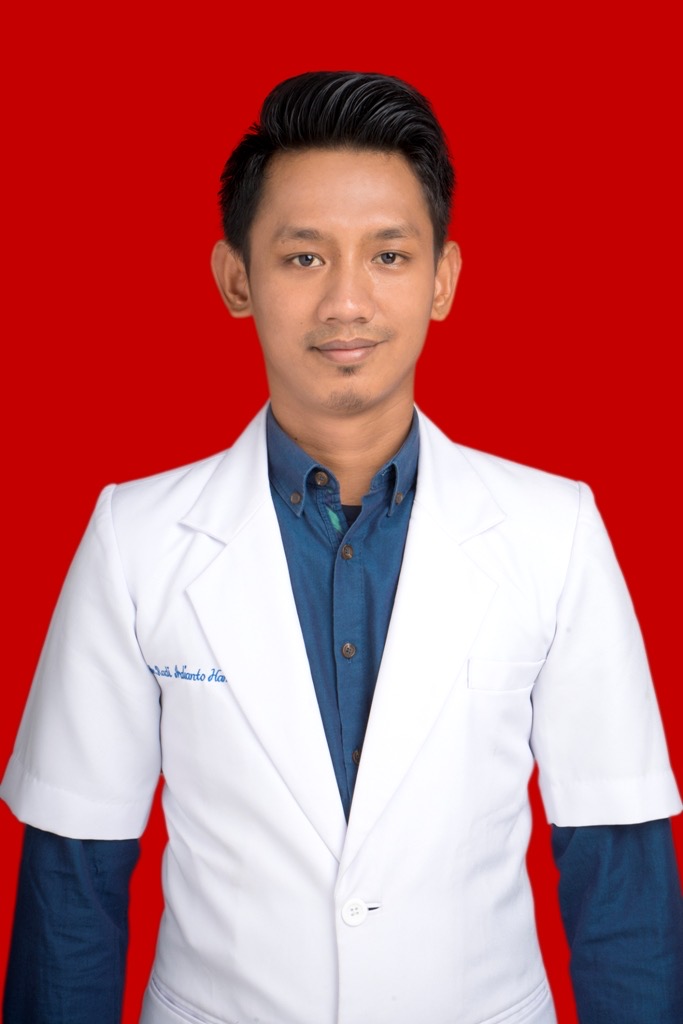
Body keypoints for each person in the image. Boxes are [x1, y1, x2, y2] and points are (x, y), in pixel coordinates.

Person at [2, 70, 682, 1024]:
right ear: (236, 279)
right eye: (303, 257)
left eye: (389, 255)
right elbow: (74, 876)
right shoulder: (136, 538)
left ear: (442, 280)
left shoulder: (554, 530)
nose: (347, 301)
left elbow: (620, 872)